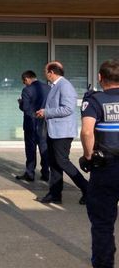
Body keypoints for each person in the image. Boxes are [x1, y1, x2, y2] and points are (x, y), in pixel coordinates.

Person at [80, 59, 119, 268]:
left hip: (106, 167)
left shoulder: (95, 100)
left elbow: (87, 131)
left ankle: (104, 263)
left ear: (100, 78)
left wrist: (88, 156)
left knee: (103, 223)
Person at [35, 61, 88, 205]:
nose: (45, 74)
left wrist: (46, 112)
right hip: (55, 131)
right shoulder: (56, 86)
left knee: (62, 161)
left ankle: (87, 189)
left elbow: (68, 109)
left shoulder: (65, 86)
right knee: (55, 163)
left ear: (51, 72)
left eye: (46, 71)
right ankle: (55, 194)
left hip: (62, 132)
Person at [16, 70, 50, 182]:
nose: (24, 84)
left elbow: (25, 108)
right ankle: (45, 173)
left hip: (31, 123)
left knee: (30, 150)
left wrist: (20, 103)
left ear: (26, 79)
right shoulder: (48, 88)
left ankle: (30, 173)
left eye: (24, 81)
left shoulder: (26, 90)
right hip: (44, 123)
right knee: (44, 148)